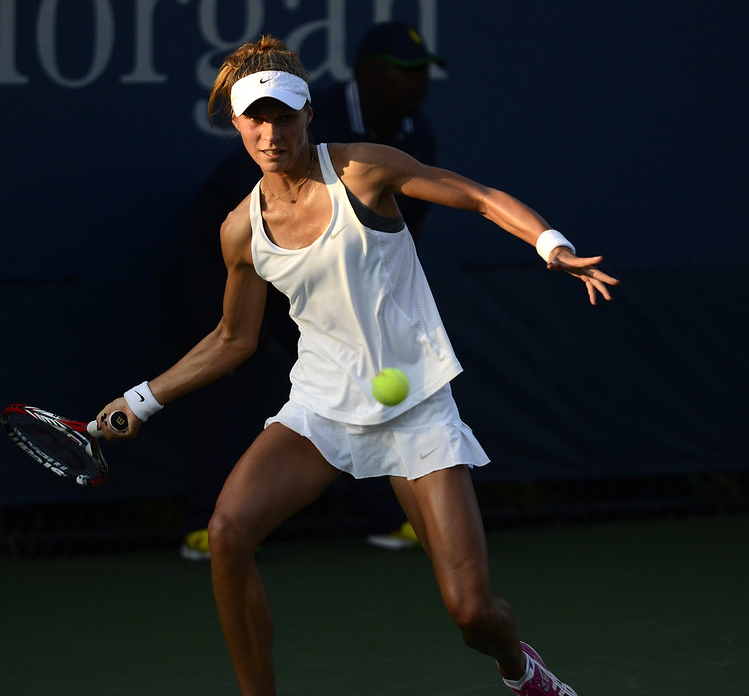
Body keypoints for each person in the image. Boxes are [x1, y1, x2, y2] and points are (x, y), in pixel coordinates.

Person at [95, 35, 618, 695]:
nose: (270, 131)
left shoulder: (365, 171)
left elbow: (478, 196)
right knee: (227, 533)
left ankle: (521, 668)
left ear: (308, 112)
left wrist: (551, 244)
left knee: (473, 614)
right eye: (255, 118)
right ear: (234, 124)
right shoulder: (239, 229)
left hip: (417, 406)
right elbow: (233, 338)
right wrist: (139, 400)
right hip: (321, 405)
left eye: (284, 115)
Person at [178, 22, 446, 559]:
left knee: (367, 369)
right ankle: (209, 522)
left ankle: (384, 515)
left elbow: (398, 238)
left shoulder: (414, 133)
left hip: (327, 261)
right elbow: (256, 207)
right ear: (368, 75)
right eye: (404, 73)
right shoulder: (301, 115)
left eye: (422, 73)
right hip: (233, 250)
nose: (417, 84)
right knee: (237, 368)